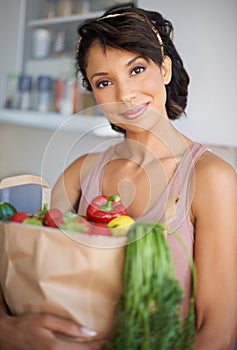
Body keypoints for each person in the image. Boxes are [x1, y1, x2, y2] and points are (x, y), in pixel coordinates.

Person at [0, 3, 236, 349]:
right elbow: (21, 261)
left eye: (137, 69)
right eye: (104, 81)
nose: (124, 94)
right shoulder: (82, 171)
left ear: (165, 69)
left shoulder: (211, 177)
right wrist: (8, 331)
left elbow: (218, 331)